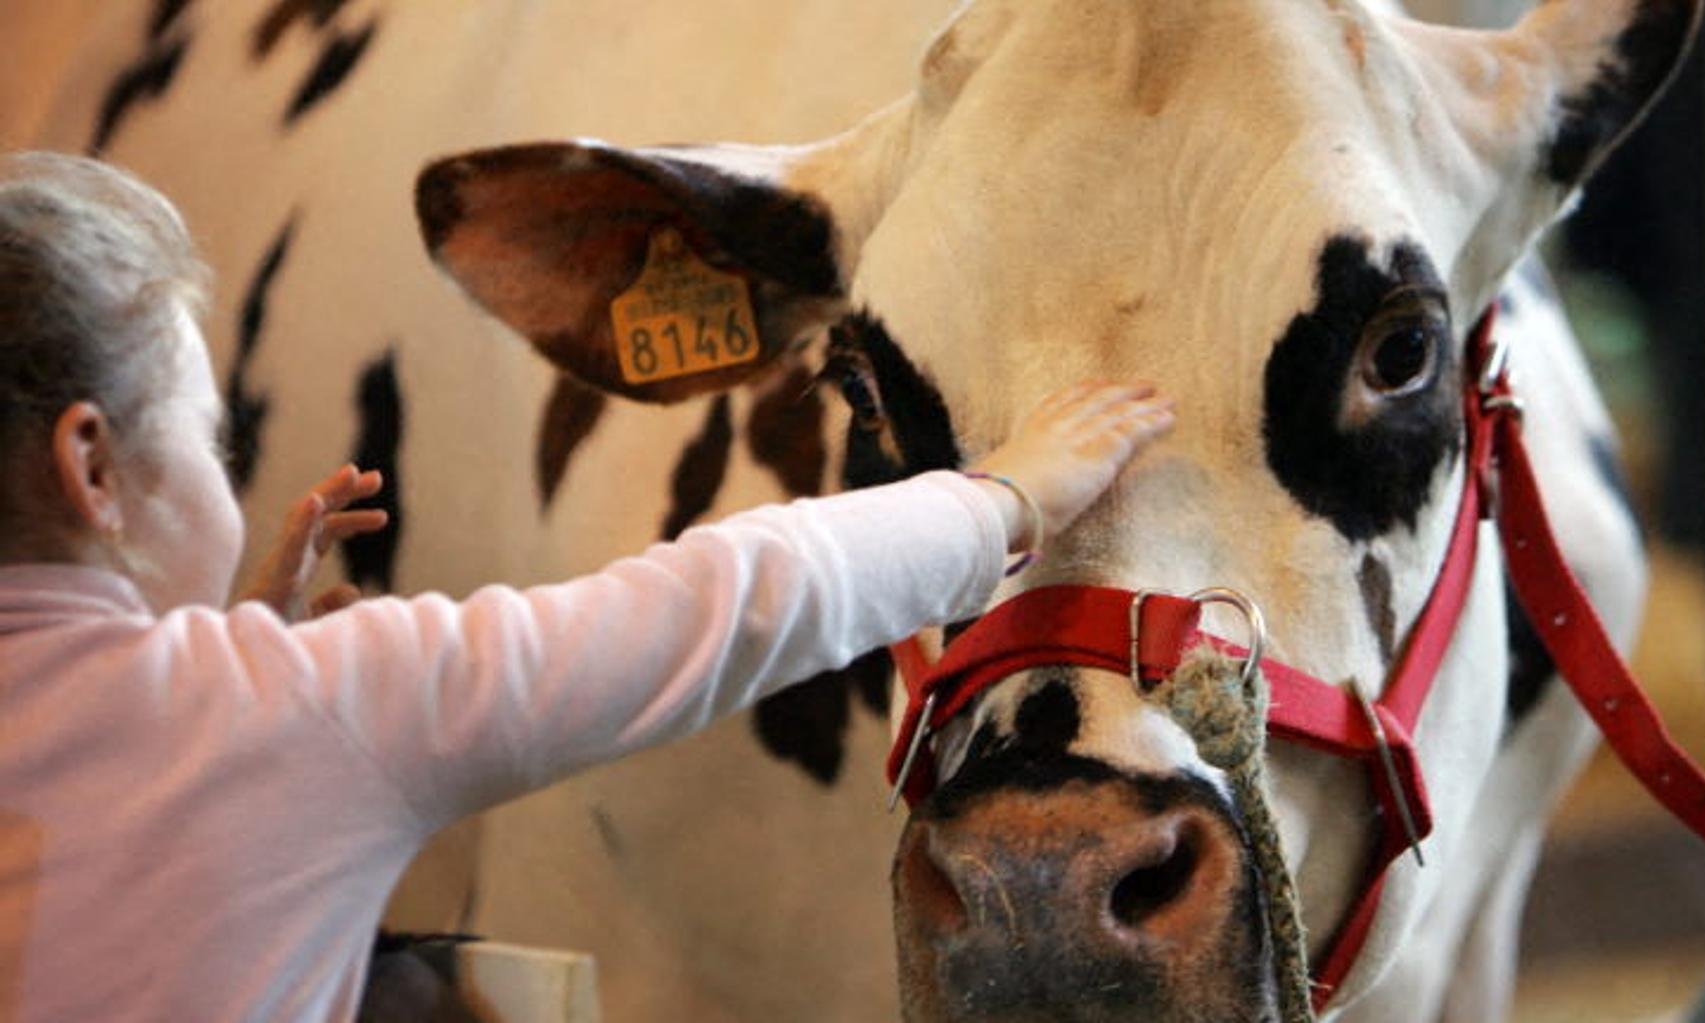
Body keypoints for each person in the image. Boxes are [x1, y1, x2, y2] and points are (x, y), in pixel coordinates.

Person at [0, 151, 1175, 1021]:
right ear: (93, 465)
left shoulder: (236, 710)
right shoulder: (287, 709)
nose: (228, 471)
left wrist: (230, 657)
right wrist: (1004, 499)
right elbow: (717, 603)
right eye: (212, 438)